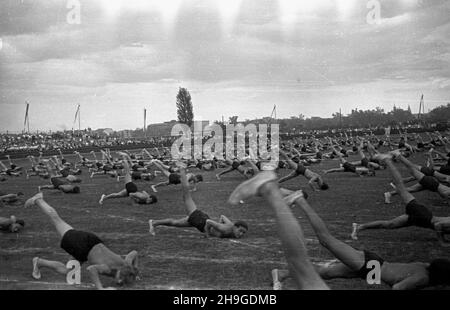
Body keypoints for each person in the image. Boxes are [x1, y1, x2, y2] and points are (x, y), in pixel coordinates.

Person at [269, 187, 449, 290]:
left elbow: (391, 278)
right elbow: (397, 288)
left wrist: (374, 278)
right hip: (370, 265)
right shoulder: (422, 278)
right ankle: (300, 200)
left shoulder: (425, 266)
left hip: (373, 268)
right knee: (326, 239)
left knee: (327, 274)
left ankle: (281, 274)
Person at [228, 164, 329, 290]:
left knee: (306, 266)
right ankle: (274, 191)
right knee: (305, 269)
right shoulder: (315, 176)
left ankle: (277, 192)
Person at [25, 192, 139, 290]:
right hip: (80, 245)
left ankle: (39, 262)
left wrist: (135, 270)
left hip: (91, 241)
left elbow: (134, 253)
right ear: (120, 274)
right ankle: (38, 200)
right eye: (121, 280)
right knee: (56, 220)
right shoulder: (107, 269)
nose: (119, 282)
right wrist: (100, 287)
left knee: (68, 271)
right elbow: (91, 269)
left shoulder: (127, 264)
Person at [352, 153, 450, 246]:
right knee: (400, 186)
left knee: (389, 224)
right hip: (421, 215)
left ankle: (359, 227)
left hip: (420, 219)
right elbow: (438, 225)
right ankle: (387, 160)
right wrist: (442, 241)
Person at [149, 166, 248, 239]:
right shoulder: (225, 229)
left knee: (175, 223)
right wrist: (208, 235)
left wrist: (213, 229)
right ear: (235, 227)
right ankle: (182, 171)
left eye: (243, 233)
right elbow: (209, 222)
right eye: (240, 231)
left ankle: (154, 223)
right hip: (198, 219)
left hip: (200, 219)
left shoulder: (230, 226)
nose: (241, 234)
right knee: (186, 194)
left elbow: (222, 216)